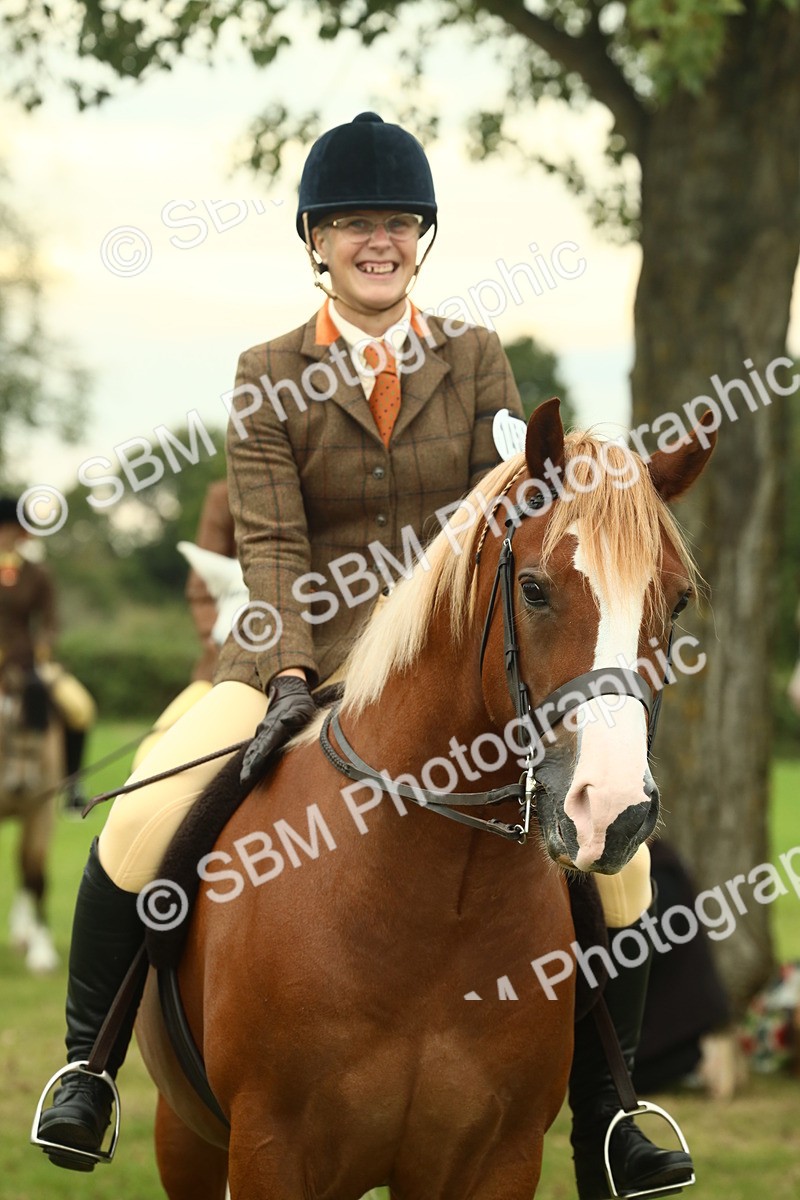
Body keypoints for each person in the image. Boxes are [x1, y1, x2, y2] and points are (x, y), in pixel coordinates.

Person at [36, 113, 692, 1198]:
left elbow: (513, 506)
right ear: (316, 242)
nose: (374, 240)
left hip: (455, 667)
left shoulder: (474, 356)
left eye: (395, 222)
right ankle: (88, 1069)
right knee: (144, 815)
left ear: (420, 238)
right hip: (295, 659)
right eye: (351, 224)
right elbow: (274, 545)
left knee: (611, 870)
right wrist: (290, 665)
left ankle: (614, 1117)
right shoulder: (264, 373)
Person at [0, 496, 96, 810]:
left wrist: (43, 651)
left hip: (26, 661)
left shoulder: (37, 572)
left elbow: (50, 621)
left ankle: (72, 785)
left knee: (80, 708)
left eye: (14, 531)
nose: (9, 537)